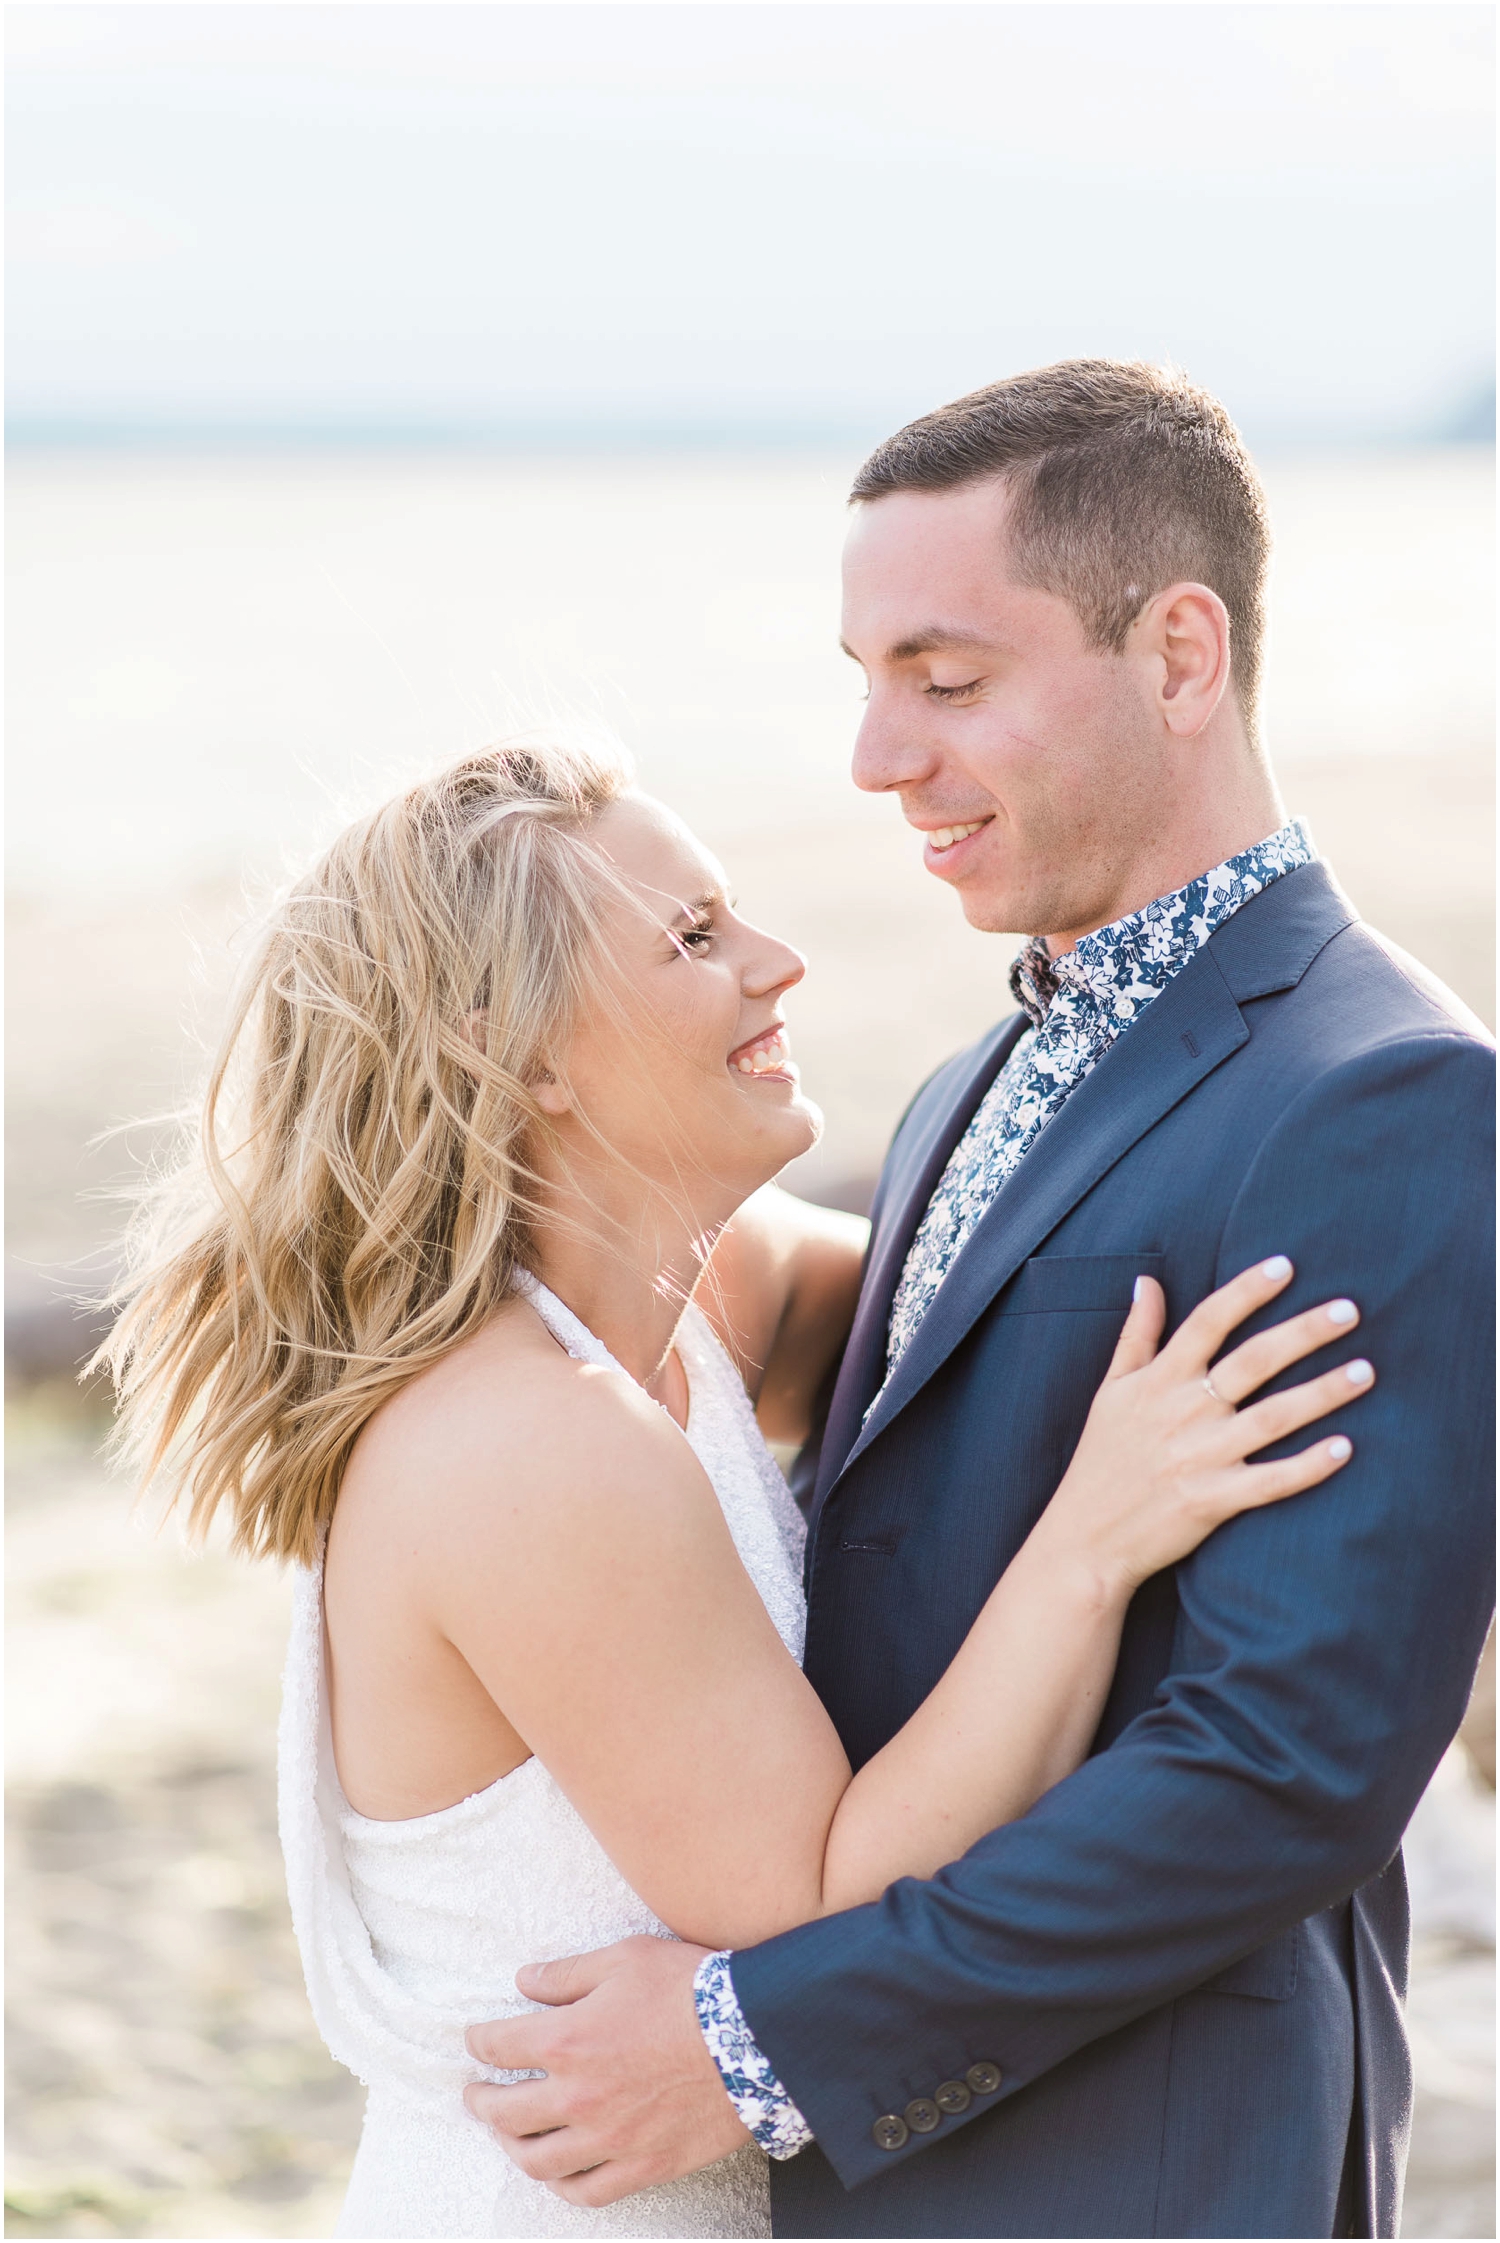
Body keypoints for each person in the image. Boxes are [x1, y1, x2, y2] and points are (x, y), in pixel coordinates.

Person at [459, 363, 1497, 2240]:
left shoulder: (1386, 1096)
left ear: (1182, 654)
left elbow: (1285, 1768)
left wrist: (758, 2040)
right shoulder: (958, 1089)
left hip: (1150, 2169)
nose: (876, 758)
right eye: (864, 682)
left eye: (947, 682)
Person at [104, 726, 1370, 2240]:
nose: (779, 963)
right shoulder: (531, 1444)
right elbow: (822, 1902)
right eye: (695, 939)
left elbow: (993, 1320)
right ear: (522, 1057)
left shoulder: (699, 1300)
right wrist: (1094, 1541)